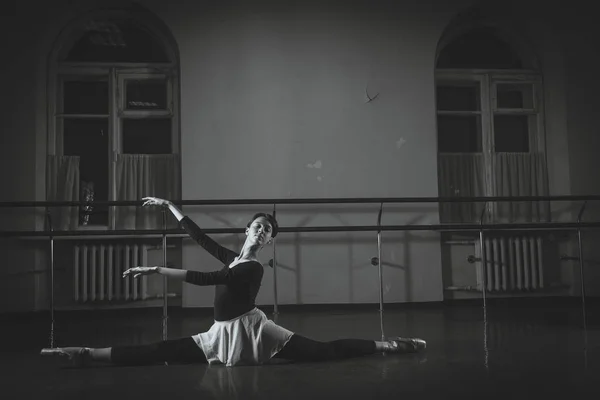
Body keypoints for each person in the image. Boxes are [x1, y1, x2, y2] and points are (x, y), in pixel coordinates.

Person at [41, 196, 425, 367]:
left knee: (323, 353)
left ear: (270, 240)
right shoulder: (235, 255)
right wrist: (170, 207)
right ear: (247, 229)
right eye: (258, 226)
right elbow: (201, 239)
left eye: (268, 230)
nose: (261, 231)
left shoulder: (252, 267)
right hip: (219, 333)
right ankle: (86, 355)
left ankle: (389, 344)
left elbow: (209, 279)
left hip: (256, 331)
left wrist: (156, 271)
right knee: (163, 350)